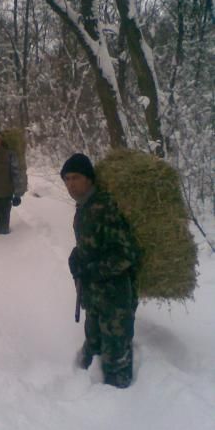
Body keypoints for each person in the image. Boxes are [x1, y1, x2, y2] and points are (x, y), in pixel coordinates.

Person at [61, 153, 140, 388]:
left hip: (115, 299)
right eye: (66, 179)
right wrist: (76, 258)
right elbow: (91, 245)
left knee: (115, 360)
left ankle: (121, 412)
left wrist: (92, 270)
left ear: (89, 178)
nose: (70, 184)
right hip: (93, 297)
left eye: (75, 177)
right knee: (93, 347)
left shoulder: (106, 207)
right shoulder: (84, 207)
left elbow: (127, 254)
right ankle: (86, 395)